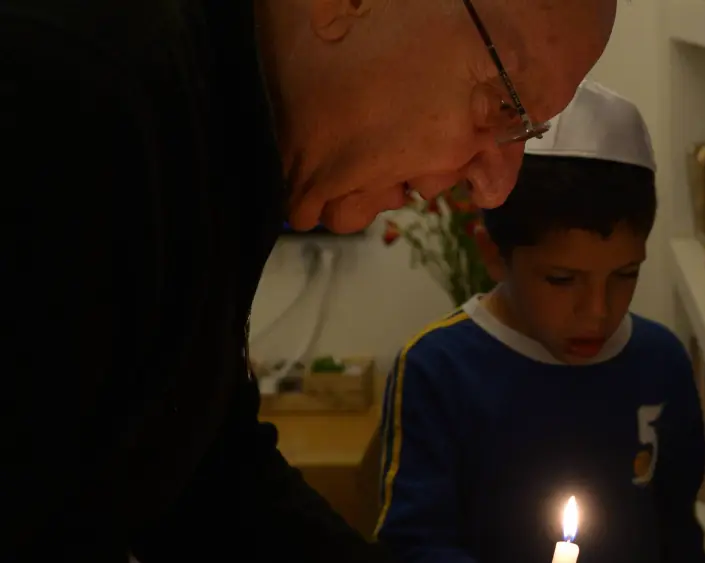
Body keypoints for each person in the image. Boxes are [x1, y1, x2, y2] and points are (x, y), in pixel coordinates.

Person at [0, 0, 617, 560]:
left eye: (525, 132)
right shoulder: (63, 97)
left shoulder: (228, 131)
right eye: (502, 102)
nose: (495, 188)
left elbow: (201, 475)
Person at [374, 81, 705, 563]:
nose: (598, 311)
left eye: (625, 275)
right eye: (561, 279)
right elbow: (414, 543)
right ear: (494, 255)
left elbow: (676, 532)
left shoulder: (661, 362)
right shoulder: (439, 370)